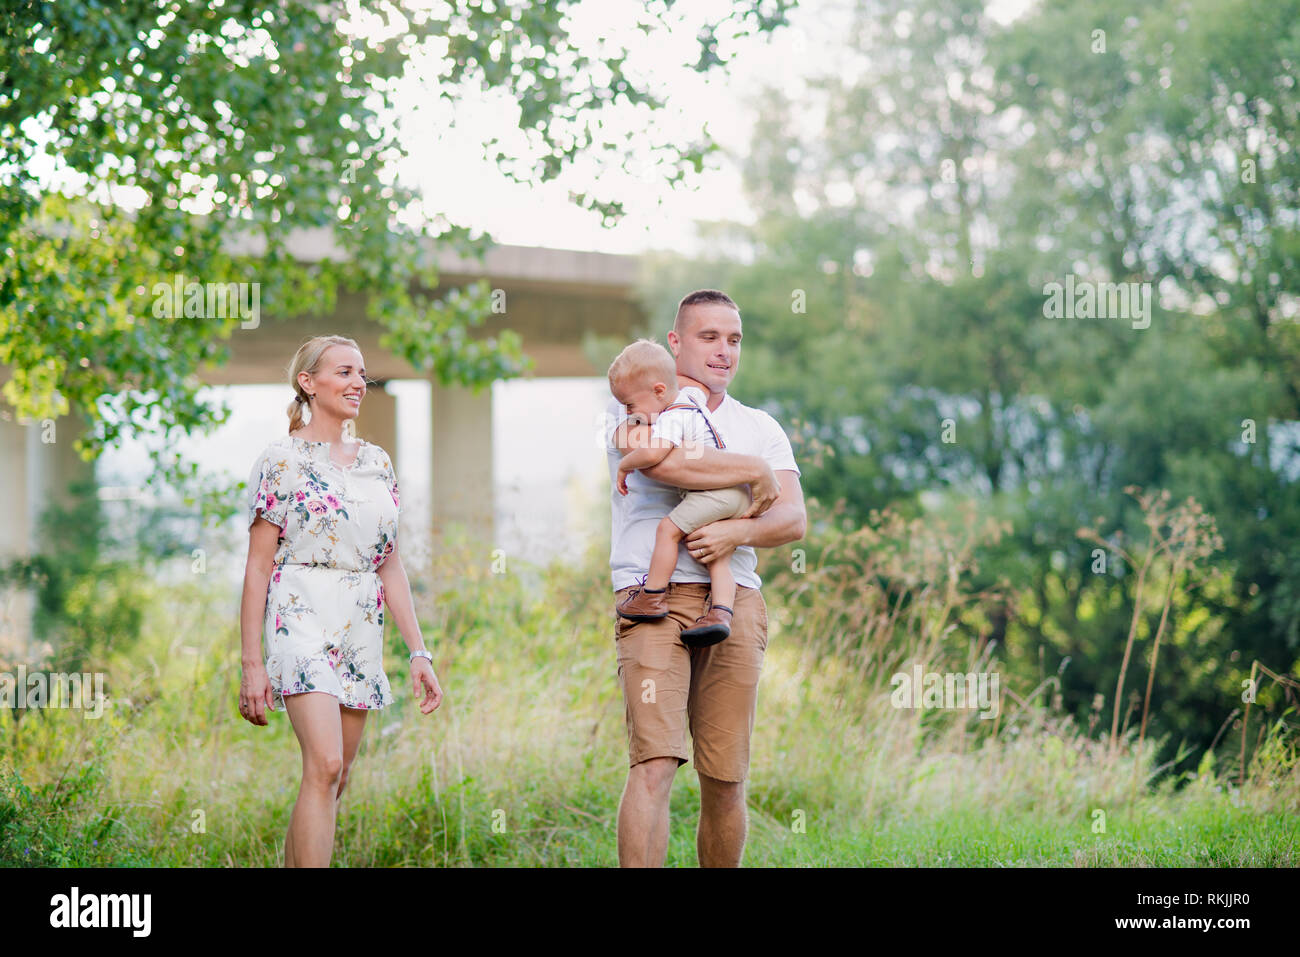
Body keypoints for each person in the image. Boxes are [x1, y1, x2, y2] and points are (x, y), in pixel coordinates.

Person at [605, 289, 806, 867]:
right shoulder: (637, 411)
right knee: (655, 761)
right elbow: (669, 464)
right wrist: (753, 473)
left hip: (735, 602)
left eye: (734, 339)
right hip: (653, 599)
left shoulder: (760, 425)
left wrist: (735, 534)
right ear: (676, 343)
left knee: (725, 777)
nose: (723, 351)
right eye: (708, 337)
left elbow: (792, 518)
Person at [238, 334, 443, 867]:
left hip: (359, 622)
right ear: (308, 383)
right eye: (345, 372)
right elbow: (258, 565)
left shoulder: (377, 461)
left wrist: (419, 652)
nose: (359, 383)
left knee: (338, 775)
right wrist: (251, 664)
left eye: (362, 374)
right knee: (324, 764)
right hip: (299, 611)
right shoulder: (280, 460)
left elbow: (390, 563)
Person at [608, 340, 750, 646]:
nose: (628, 413)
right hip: (734, 494)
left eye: (631, 405)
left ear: (660, 391)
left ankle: (653, 596)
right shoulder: (691, 400)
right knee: (717, 558)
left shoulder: (674, 415)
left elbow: (654, 453)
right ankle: (721, 613)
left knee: (668, 530)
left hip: (715, 493)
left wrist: (625, 465)